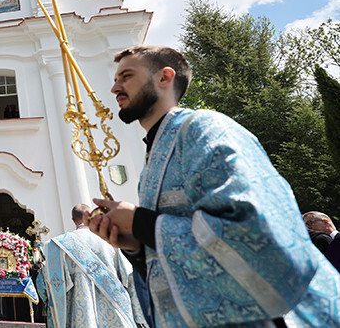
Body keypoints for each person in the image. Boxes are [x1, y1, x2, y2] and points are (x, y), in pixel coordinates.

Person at [88, 44, 340, 326]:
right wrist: (136, 246)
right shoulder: (152, 164)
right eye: (115, 79)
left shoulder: (205, 129)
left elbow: (254, 234)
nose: (115, 88)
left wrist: (142, 222)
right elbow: (177, 274)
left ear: (164, 77)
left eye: (126, 76)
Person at [37, 204, 145, 328]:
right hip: (114, 313)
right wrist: (138, 313)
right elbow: (129, 275)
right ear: (91, 216)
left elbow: (45, 282)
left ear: (74, 220)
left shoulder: (58, 246)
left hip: (81, 317)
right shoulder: (110, 238)